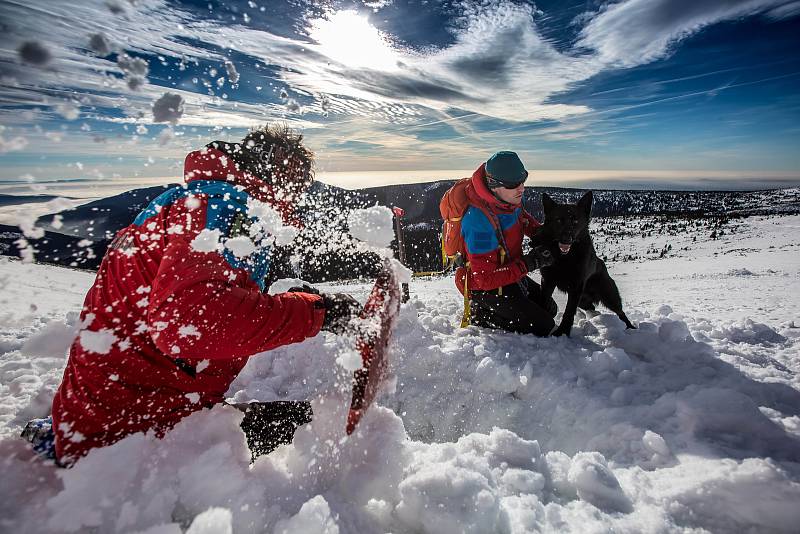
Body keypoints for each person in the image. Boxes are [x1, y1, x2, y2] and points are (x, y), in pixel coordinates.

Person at [39, 124, 360, 465]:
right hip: (131, 439)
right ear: (278, 171)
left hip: (108, 412)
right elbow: (192, 321)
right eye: (296, 187)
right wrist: (315, 313)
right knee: (324, 428)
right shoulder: (227, 208)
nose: (294, 201)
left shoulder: (191, 201)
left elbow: (193, 296)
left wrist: (292, 304)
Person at [459, 151, 557, 335]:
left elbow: (521, 219)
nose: (521, 189)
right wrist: (528, 263)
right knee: (544, 326)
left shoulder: (508, 199)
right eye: (513, 185)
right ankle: (481, 313)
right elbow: (484, 278)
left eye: (523, 181)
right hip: (483, 286)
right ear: (493, 185)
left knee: (550, 309)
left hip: (508, 270)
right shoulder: (478, 222)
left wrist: (544, 234)